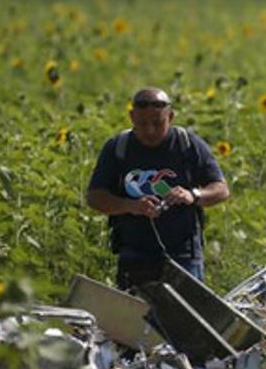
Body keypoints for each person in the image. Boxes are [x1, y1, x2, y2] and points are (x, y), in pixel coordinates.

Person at [86, 87, 230, 289]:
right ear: (131, 116)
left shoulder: (188, 145)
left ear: (170, 117)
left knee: (185, 318)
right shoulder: (118, 148)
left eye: (157, 123)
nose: (150, 130)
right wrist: (131, 206)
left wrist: (193, 195)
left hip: (184, 256)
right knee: (136, 317)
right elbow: (94, 196)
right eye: (142, 123)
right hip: (134, 256)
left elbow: (221, 189)